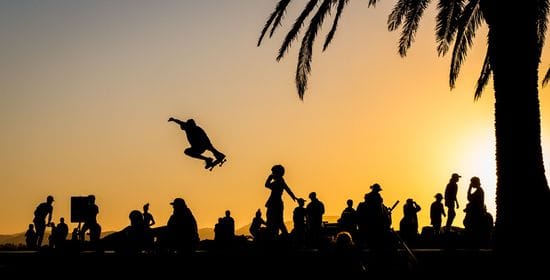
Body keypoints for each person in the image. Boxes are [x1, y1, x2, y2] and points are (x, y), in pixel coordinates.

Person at [264, 164, 297, 239]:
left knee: (273, 221)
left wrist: (269, 178)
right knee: (277, 221)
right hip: (276, 203)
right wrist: (293, 197)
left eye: (273, 172)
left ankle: (282, 236)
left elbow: (266, 185)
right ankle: (282, 235)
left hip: (274, 203)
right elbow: (288, 189)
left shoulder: (278, 182)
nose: (272, 174)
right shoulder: (281, 181)